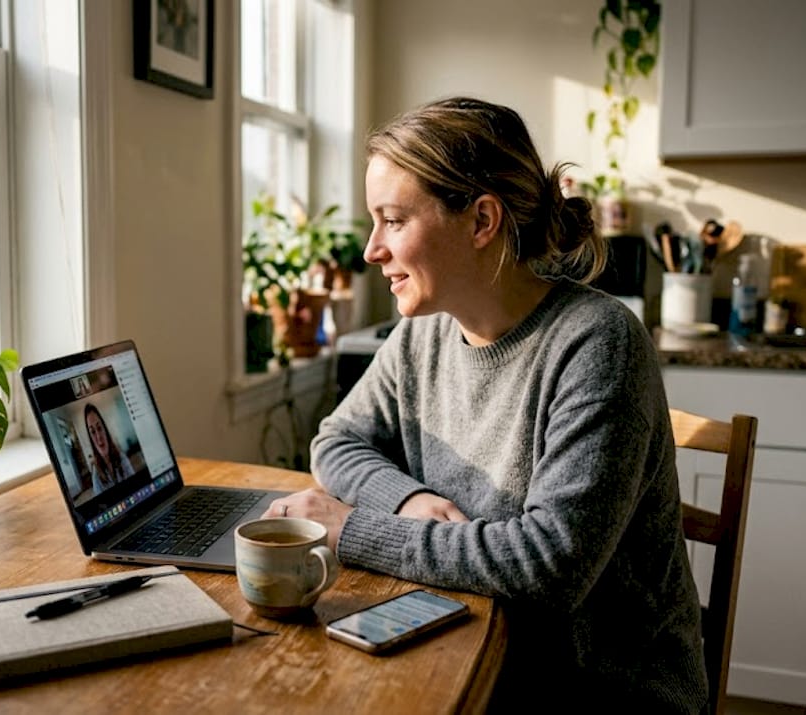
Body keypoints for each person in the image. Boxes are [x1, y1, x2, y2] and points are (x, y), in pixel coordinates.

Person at [264, 97, 706, 711]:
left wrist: (354, 529)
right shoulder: (425, 332)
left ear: (481, 222)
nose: (371, 249)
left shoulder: (598, 343)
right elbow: (337, 440)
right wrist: (408, 500)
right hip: (464, 639)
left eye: (393, 220)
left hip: (594, 690)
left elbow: (549, 566)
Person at [84, 403, 134, 490]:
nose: (98, 436)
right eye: (92, 432)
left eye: (99, 428)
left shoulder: (121, 457)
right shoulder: (96, 477)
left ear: (105, 430)